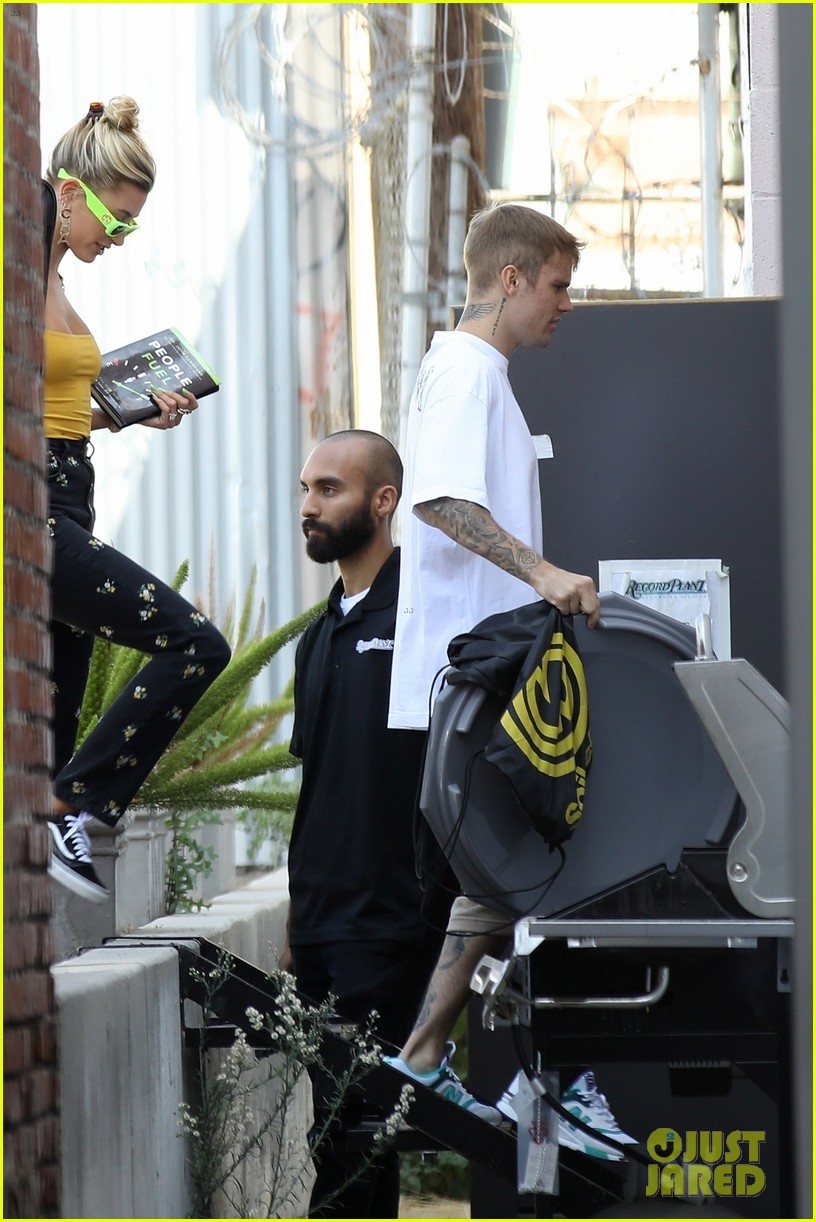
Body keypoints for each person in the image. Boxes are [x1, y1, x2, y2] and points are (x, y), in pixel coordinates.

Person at [384, 204, 635, 1155]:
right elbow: (441, 499)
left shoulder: (479, 375)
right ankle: (553, 1079)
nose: (568, 304)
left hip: (483, 678)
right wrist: (546, 577)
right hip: (476, 681)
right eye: (560, 284)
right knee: (534, 875)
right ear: (511, 280)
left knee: (505, 883)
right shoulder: (462, 372)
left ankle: (437, 1054)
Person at [43, 97, 231, 904]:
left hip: (71, 491)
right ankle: (76, 805)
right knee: (196, 643)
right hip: (34, 511)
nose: (117, 240)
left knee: (46, 710)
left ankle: (48, 821)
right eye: (114, 220)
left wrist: (123, 415)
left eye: (131, 228)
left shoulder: (51, 285)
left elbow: (48, 409)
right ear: (67, 190)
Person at [283, 430, 445, 1218]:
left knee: (354, 1128)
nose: (309, 508)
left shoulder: (425, 621)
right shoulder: (319, 636)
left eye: (330, 490)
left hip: (388, 919)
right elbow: (319, 785)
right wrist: (294, 916)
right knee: (338, 1127)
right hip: (319, 922)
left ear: (384, 502)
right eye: (307, 489)